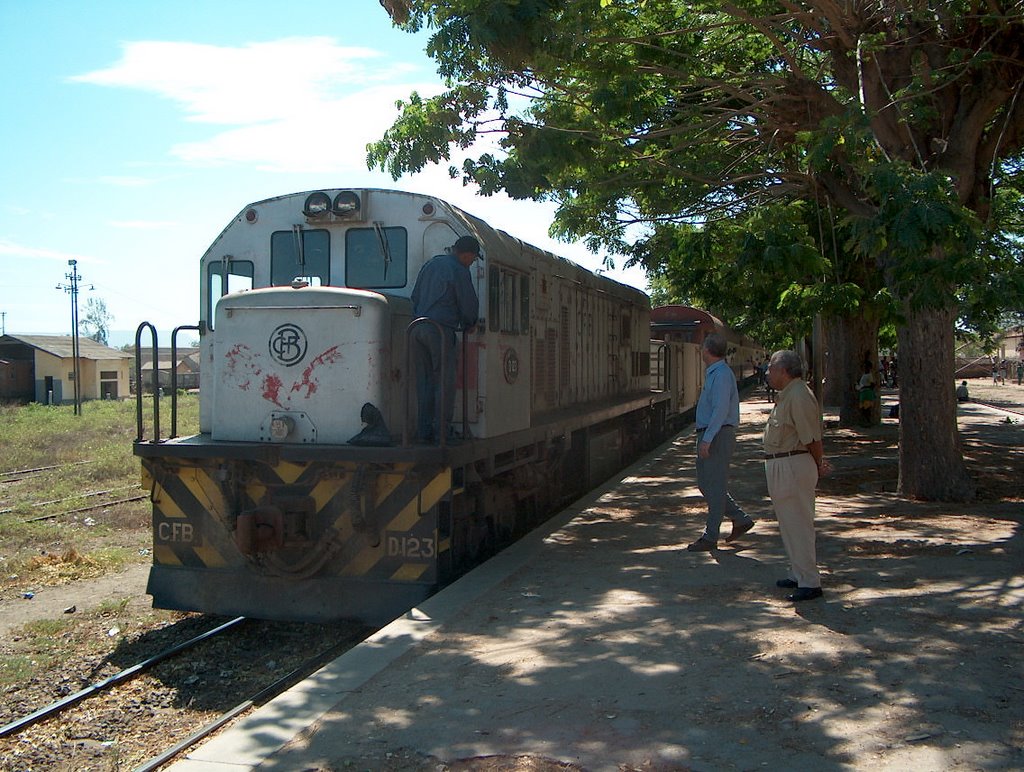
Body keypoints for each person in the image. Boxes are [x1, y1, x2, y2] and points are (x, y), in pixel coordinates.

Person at [763, 349, 830, 602]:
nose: (768, 372)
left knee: (799, 524)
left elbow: (812, 437)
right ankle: (798, 573)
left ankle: (810, 582)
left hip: (792, 465)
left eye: (771, 367)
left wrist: (818, 463)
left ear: (783, 370)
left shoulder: (799, 395)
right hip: (783, 465)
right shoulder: (788, 394)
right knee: (789, 524)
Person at [686, 332, 755, 552]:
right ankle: (740, 518)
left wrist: (707, 439)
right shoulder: (716, 373)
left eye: (702, 347)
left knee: (714, 486)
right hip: (713, 433)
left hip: (717, 434)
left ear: (707, 350)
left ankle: (710, 536)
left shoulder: (722, 375)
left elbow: (720, 410)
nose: (700, 350)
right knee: (707, 485)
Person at [410, 235, 480, 443]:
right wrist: (470, 322)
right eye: (473, 259)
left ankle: (423, 432)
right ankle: (442, 432)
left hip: (417, 327)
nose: (472, 263)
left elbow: (415, 297)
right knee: (445, 382)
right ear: (466, 254)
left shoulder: (431, 264)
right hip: (439, 330)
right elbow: (467, 303)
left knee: (424, 382)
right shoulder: (458, 269)